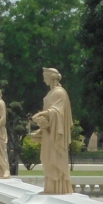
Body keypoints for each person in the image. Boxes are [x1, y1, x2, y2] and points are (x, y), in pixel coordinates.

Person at [31, 67, 73, 195]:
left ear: (51, 77)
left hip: (56, 134)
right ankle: (51, 187)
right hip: (49, 131)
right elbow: (49, 115)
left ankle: (58, 188)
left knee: (54, 157)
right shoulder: (51, 93)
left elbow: (57, 112)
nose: (44, 79)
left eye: (45, 77)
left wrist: (40, 114)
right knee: (47, 158)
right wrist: (40, 128)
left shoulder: (59, 92)